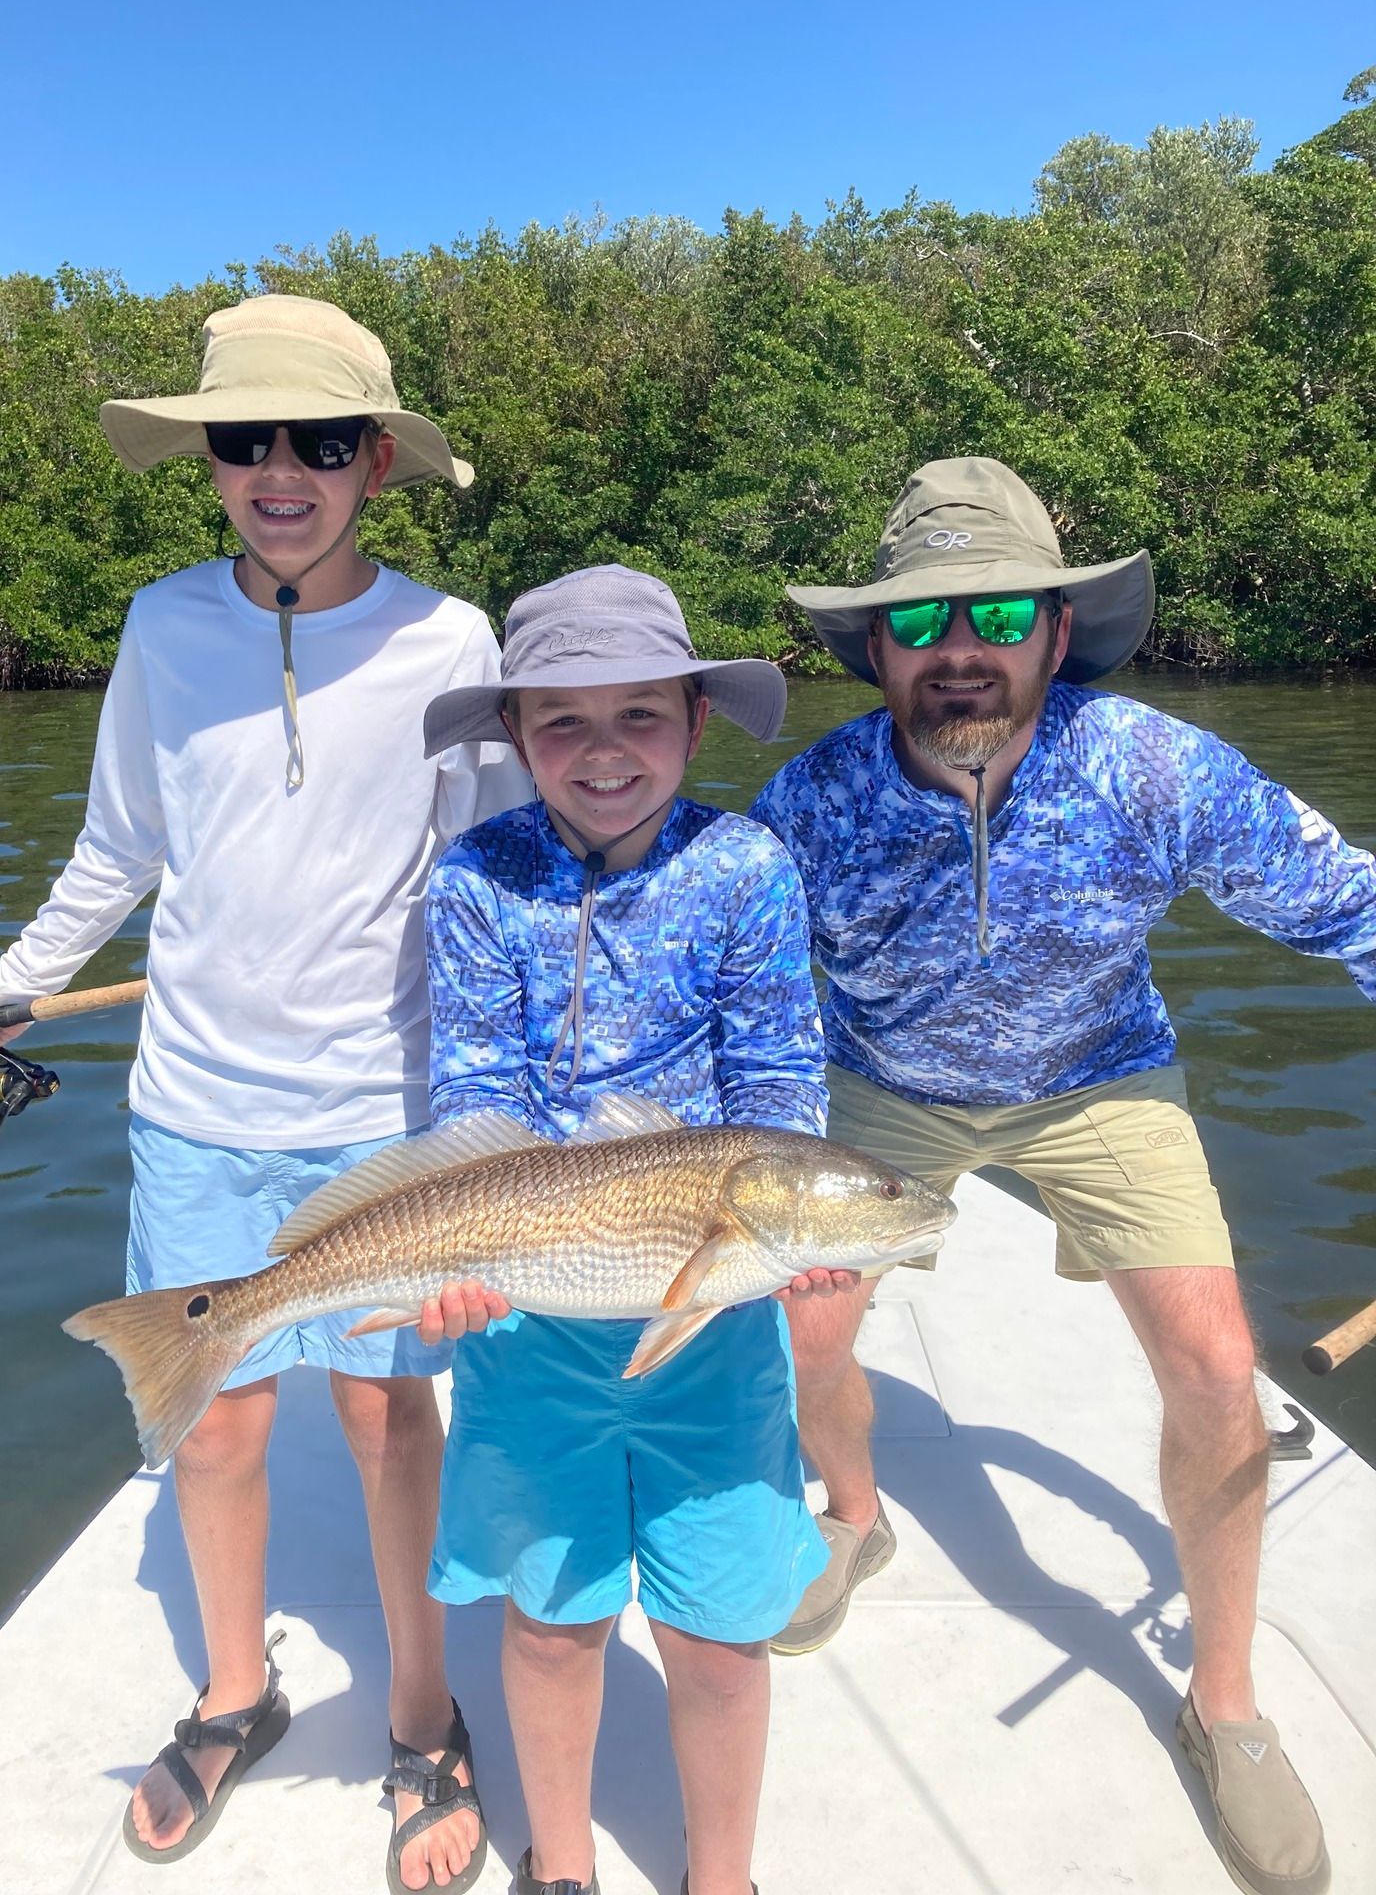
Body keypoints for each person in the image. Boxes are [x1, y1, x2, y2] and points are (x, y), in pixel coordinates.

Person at [0, 294, 525, 1890]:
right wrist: (18, 978)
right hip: (193, 1103)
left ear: (375, 465)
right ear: (209, 464)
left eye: (318, 444)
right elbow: (119, 847)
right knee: (211, 1432)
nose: (281, 472)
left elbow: (504, 868)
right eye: (245, 441)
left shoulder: (450, 641)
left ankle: (419, 1718)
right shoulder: (158, 625)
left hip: (383, 1108)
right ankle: (236, 1696)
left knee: (392, 1419)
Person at [752, 456, 1373, 1895]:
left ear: (1053, 630)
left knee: (1221, 1369)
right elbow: (741, 984)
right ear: (876, 649)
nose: (957, 652)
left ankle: (1224, 1702)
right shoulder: (814, 801)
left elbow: (1344, 899)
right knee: (801, 1324)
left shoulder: (1150, 766)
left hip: (1102, 1079)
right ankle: (855, 1515)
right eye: (919, 625)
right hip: (882, 1084)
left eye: (996, 615)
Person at [417, 564, 834, 1895]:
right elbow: (474, 1106)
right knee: (552, 1627)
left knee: (718, 1640)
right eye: (563, 723)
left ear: (697, 725)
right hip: (529, 1327)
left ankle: (724, 1876)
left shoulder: (747, 868)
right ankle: (563, 1860)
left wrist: (800, 1234)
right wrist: (459, 1270)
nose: (604, 754)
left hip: (715, 1322)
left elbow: (779, 1092)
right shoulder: (477, 881)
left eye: (640, 718)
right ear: (517, 739)